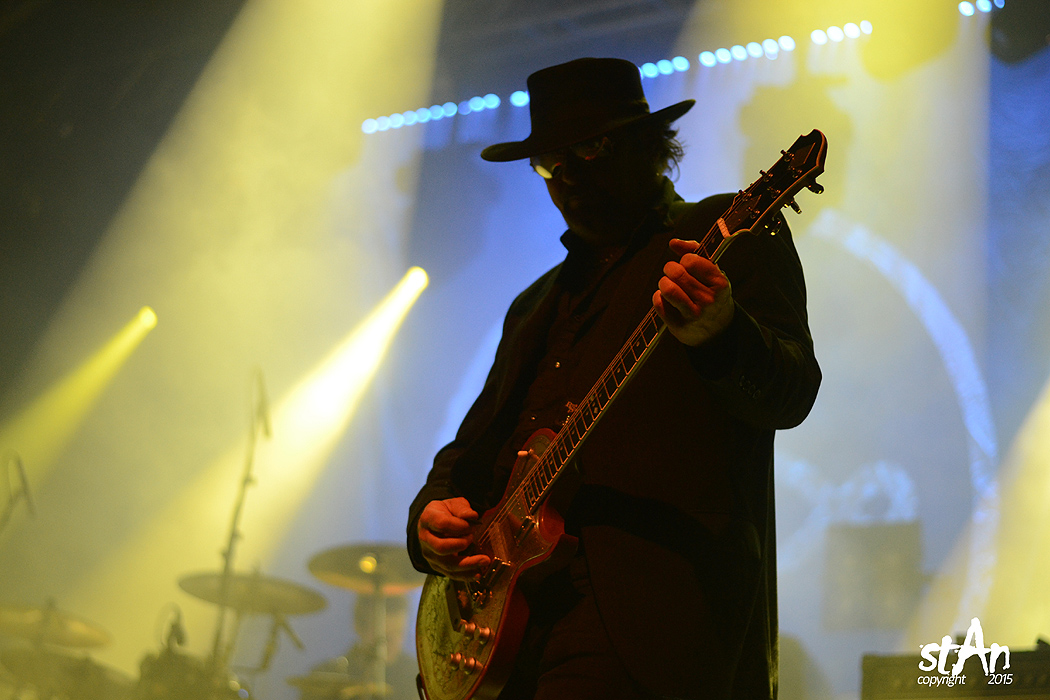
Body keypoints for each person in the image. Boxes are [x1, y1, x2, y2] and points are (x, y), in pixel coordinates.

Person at [406, 57, 821, 700]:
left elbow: (791, 394)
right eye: (550, 162)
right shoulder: (534, 305)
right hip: (509, 631)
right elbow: (469, 451)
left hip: (647, 624)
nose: (568, 176)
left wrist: (722, 333)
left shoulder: (722, 236)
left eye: (589, 149)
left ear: (649, 144)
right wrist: (429, 519)